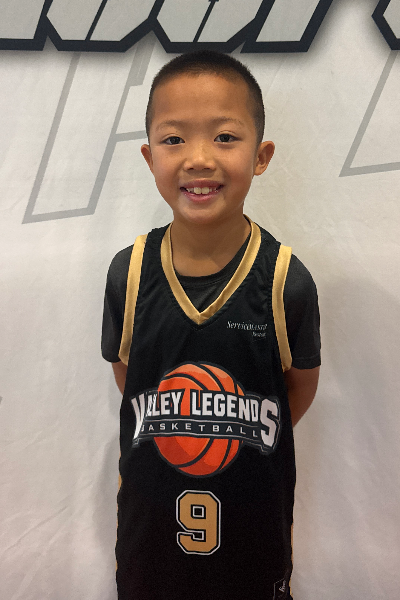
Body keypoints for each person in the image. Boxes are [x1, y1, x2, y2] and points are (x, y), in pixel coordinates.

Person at [102, 50, 320, 600]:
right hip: (150, 542)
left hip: (252, 542)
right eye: (174, 139)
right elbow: (131, 377)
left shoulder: (286, 281)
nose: (198, 159)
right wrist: (183, 424)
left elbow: (296, 390)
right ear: (150, 157)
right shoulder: (129, 273)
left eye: (225, 137)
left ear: (261, 155)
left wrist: (231, 430)